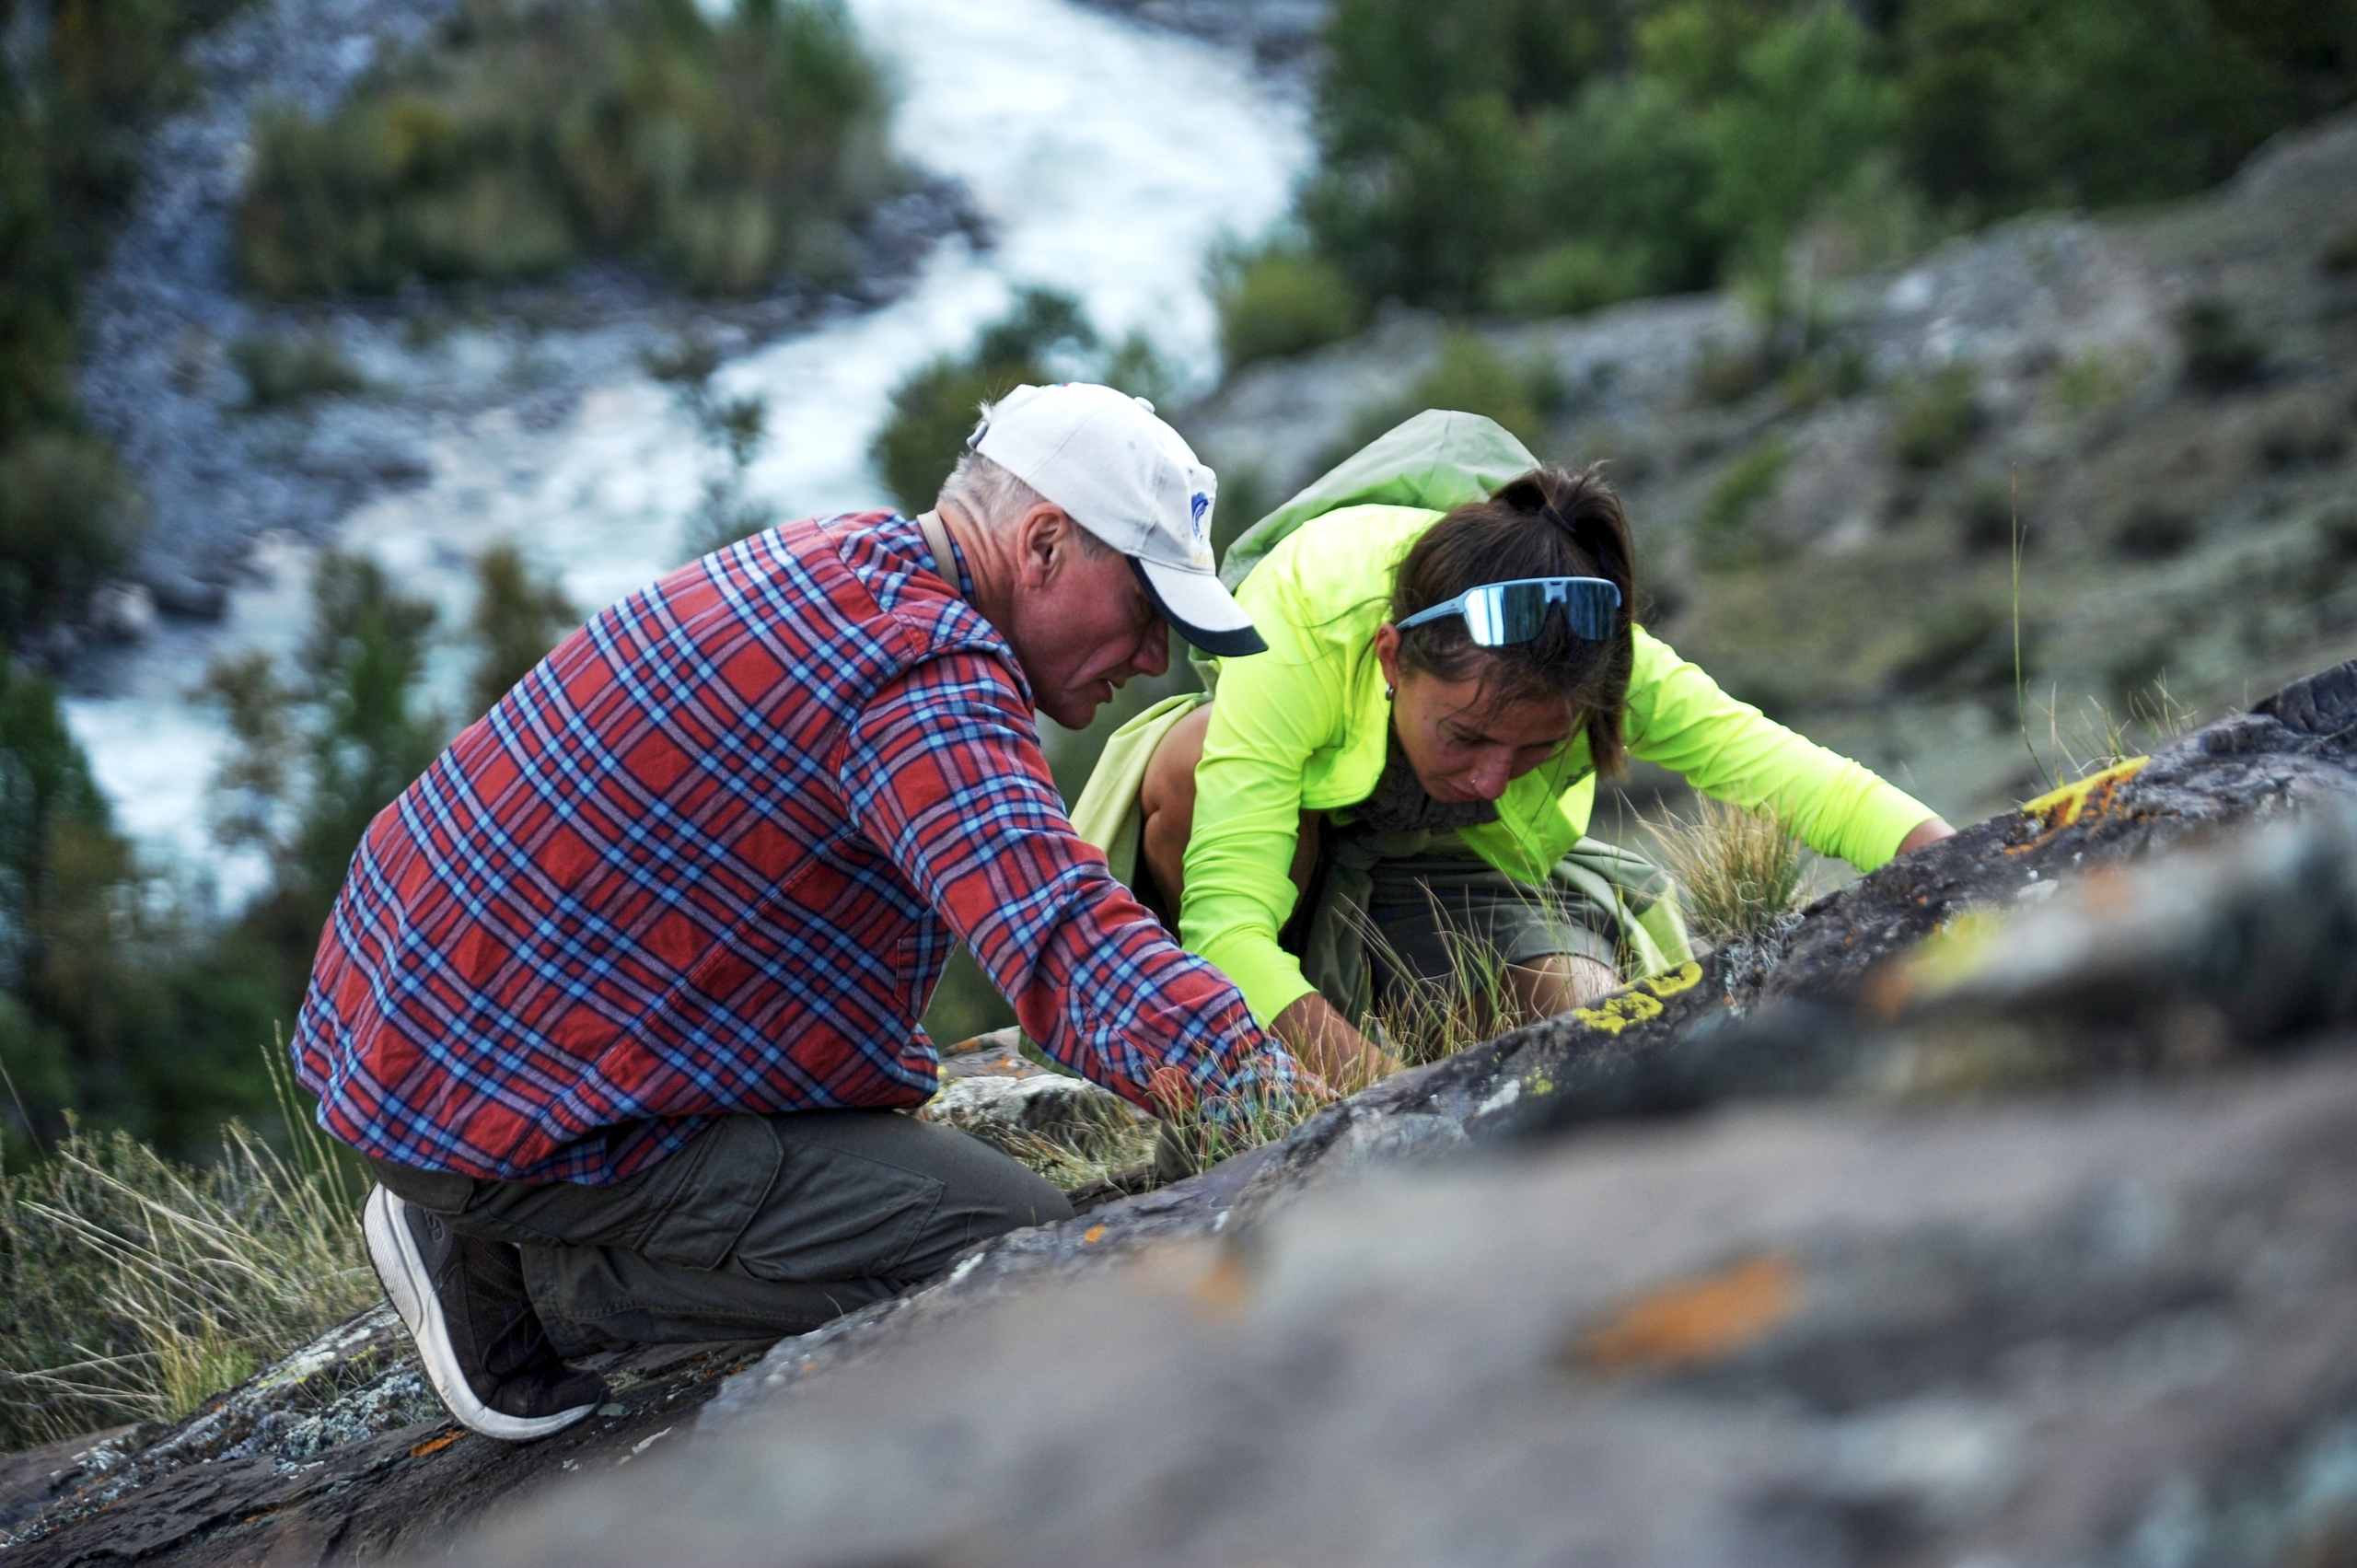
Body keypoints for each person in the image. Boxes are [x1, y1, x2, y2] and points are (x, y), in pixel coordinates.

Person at [293, 383, 1309, 1443]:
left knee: (913, 1167)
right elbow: (1065, 945)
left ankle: (492, 1199)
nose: (1152, 659)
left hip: (403, 1016)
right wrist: (1285, 1115)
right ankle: (533, 1281)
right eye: (1145, 610)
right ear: (1044, 543)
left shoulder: (848, 556)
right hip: (482, 1095)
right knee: (1011, 1250)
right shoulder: (918, 675)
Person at [1070, 412, 1953, 1076]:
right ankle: (1237, 1080)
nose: (1490, 777)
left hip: (1452, 875)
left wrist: (1969, 875)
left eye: (1535, 748)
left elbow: (1794, 776)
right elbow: (1226, 929)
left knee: (1587, 1033)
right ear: (1392, 657)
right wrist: (1385, 1108)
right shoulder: (1306, 610)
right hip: (1293, 862)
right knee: (1192, 763)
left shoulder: (1601, 652)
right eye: (1466, 735)